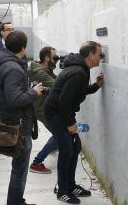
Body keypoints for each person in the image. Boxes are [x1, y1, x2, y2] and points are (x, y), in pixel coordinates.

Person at [44, 41, 104, 204]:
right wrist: (71, 124)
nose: (101, 58)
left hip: (62, 112)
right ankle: (62, 190)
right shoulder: (78, 72)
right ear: (90, 55)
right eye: (100, 54)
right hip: (57, 113)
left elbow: (77, 91)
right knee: (66, 150)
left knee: (74, 147)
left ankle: (70, 185)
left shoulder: (80, 69)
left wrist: (96, 86)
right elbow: (64, 100)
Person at [0, 30, 44, 205]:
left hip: (18, 122)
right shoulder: (13, 68)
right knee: (20, 170)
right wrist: (34, 92)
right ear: (23, 47)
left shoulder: (7, 63)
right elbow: (14, 99)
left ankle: (16, 201)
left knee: (18, 169)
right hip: (19, 126)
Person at [28, 47, 59, 174]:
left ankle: (53, 146)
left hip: (44, 105)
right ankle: (37, 162)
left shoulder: (45, 69)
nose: (57, 60)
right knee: (60, 133)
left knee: (58, 132)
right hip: (42, 108)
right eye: (55, 58)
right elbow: (57, 85)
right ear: (47, 58)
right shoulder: (40, 72)